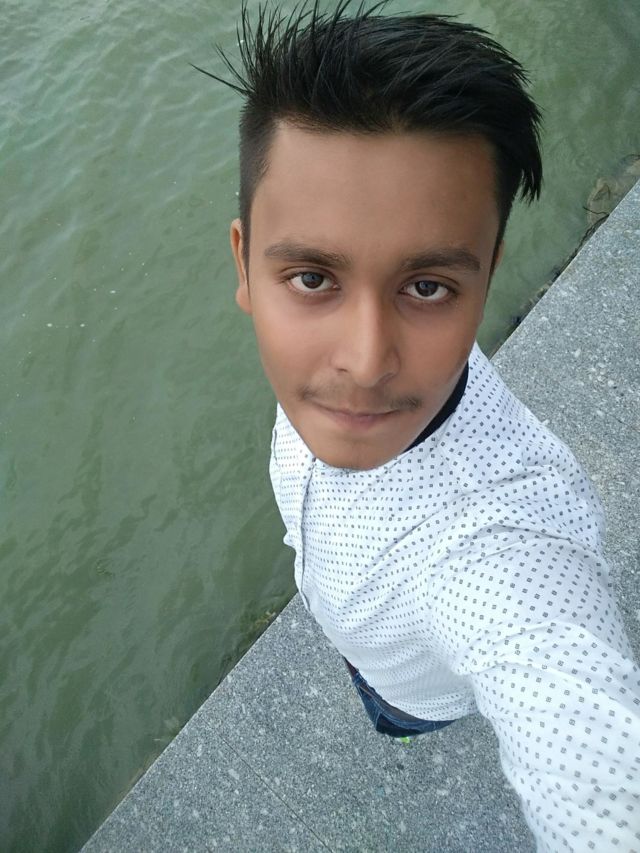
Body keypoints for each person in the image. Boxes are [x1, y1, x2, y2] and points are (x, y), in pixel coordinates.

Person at [198, 3, 640, 848]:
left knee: (399, 713)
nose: (365, 362)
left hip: (417, 687)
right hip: (359, 615)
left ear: (487, 277)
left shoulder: (500, 547)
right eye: (313, 278)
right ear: (244, 263)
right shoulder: (355, 383)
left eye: (428, 287)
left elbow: (591, 757)